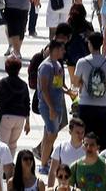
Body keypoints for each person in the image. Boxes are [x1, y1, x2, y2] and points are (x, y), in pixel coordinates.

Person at [72, 32, 106, 148]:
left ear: (89, 44)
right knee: (103, 138)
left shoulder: (82, 62)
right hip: (104, 104)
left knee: (85, 137)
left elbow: (75, 83)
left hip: (86, 103)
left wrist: (83, 82)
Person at [36, 38, 69, 172]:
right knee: (52, 135)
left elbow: (58, 85)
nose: (64, 51)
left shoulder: (58, 65)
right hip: (48, 106)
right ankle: (44, 165)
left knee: (48, 135)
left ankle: (44, 161)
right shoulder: (46, 66)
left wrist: (68, 92)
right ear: (55, 49)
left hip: (57, 104)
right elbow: (44, 89)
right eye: (62, 49)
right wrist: (50, 108)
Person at [0, 60, 32, 156]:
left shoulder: (3, 82)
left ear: (6, 69)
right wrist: (28, 122)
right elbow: (27, 103)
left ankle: (1, 167)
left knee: (2, 144)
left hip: (6, 116)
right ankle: (9, 166)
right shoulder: (23, 85)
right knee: (12, 145)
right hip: (20, 118)